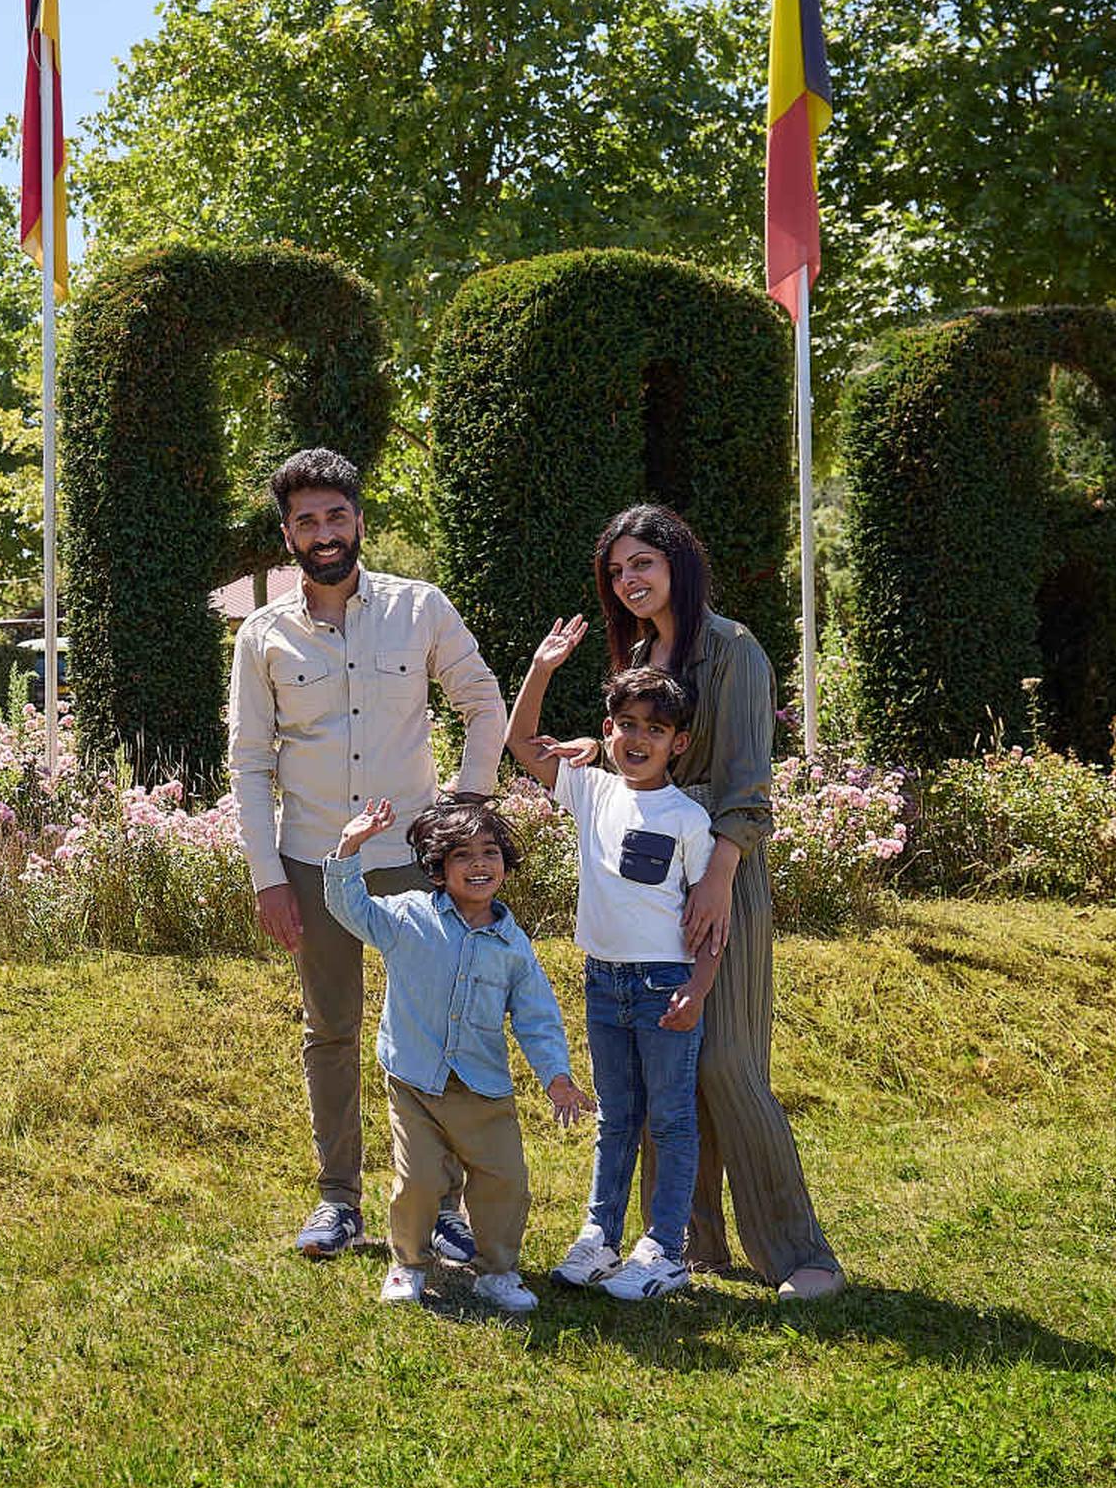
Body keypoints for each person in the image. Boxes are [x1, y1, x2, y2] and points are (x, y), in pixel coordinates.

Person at [506, 503, 846, 1300]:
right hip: (645, 896)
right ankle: (689, 1244)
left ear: (677, 565)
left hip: (721, 873)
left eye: (643, 565)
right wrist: (602, 752)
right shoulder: (639, 653)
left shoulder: (733, 649)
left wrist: (721, 879)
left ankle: (800, 1254)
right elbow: (643, 746)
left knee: (728, 1063)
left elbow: (746, 781)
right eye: (617, 571)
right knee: (668, 1076)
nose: (629, 581)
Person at [228, 447, 511, 1262]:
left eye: (336, 516)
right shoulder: (262, 634)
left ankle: (444, 1205)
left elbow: (482, 702)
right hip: (315, 863)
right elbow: (249, 762)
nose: (324, 533)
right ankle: (338, 1201)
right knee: (331, 1030)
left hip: (413, 858)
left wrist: (465, 808)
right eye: (307, 521)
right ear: (288, 535)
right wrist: (269, 878)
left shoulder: (420, 609)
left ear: (359, 521)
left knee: (438, 1026)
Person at [317, 792, 592, 1311]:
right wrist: (350, 845)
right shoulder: (406, 919)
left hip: (483, 1089)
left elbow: (537, 1018)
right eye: (462, 855)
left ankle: (497, 1272)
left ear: (505, 865)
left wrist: (556, 1076)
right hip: (415, 1080)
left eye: (490, 852)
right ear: (439, 869)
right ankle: (407, 1264)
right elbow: (349, 907)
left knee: (505, 1181)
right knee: (418, 1179)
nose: (479, 864)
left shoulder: (514, 946)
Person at [516, 662, 719, 1301]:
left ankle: (664, 1249)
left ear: (677, 743)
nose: (638, 739)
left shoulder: (688, 818)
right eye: (626, 725)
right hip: (602, 982)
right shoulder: (593, 790)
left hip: (666, 986)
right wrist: (543, 668)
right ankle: (600, 1236)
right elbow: (521, 744)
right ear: (607, 730)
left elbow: (711, 917)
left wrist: (700, 987)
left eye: (654, 730)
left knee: (671, 1118)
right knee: (615, 1117)